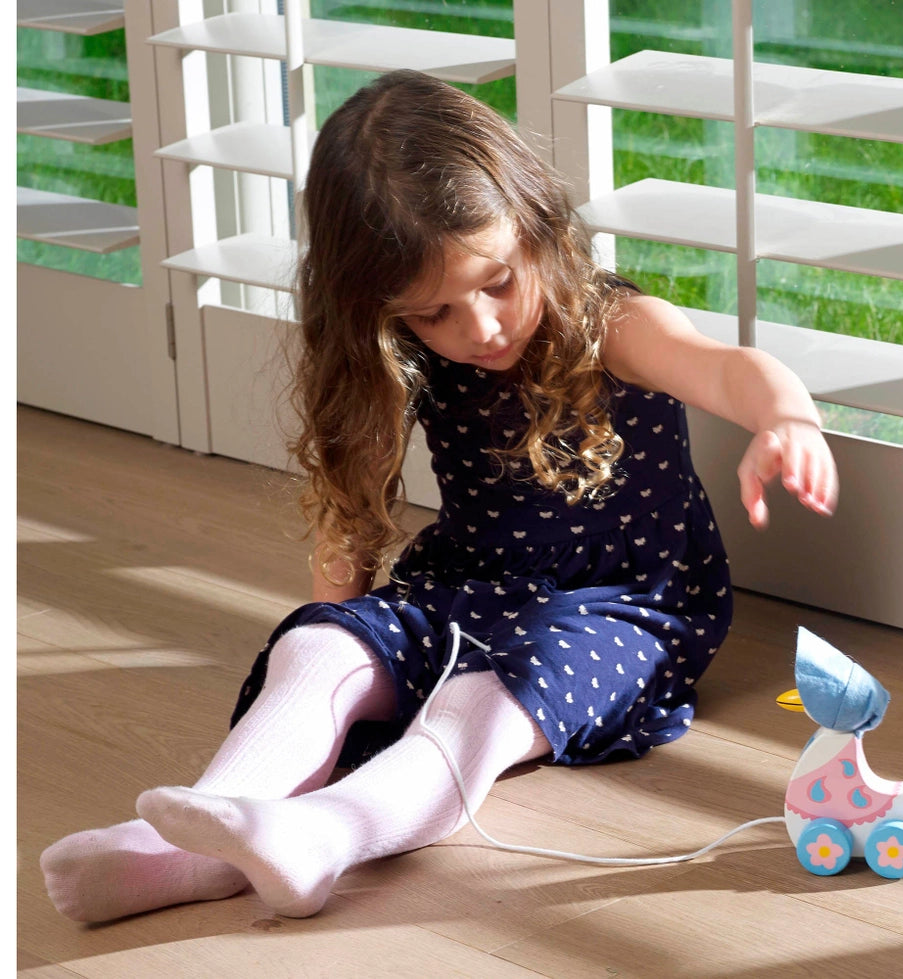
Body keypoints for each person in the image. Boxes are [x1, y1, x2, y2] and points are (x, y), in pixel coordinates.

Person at [40, 69, 838, 922]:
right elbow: (349, 509)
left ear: (536, 226)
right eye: (434, 313)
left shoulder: (609, 324)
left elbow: (721, 366)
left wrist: (783, 417)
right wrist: (336, 634)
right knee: (315, 649)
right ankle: (195, 849)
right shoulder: (403, 353)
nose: (479, 328)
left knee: (477, 702)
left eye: (496, 283)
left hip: (620, 610)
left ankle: (324, 835)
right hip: (467, 585)